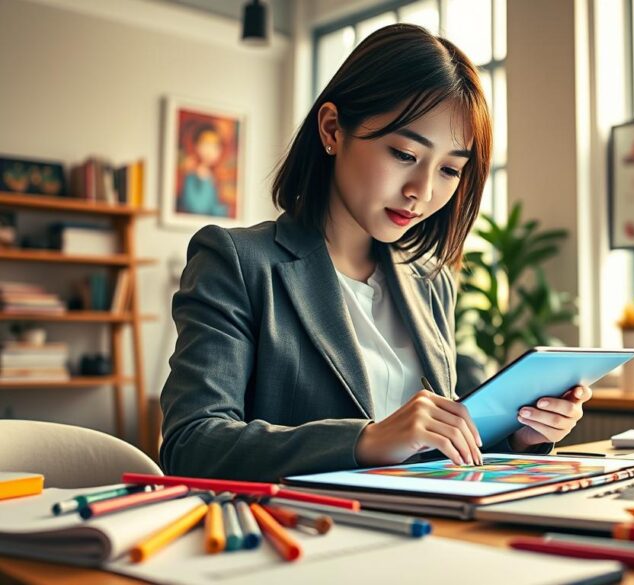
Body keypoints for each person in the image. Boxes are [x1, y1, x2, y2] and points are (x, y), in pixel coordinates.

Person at [159, 24, 593, 482]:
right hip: (308, 531)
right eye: (405, 154)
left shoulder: (430, 279)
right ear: (332, 129)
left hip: (424, 527)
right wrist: (364, 440)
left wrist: (522, 433)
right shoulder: (238, 261)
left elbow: (442, 436)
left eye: (449, 169)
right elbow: (192, 443)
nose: (421, 191)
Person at [178, 124, 228, 217]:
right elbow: (197, 207)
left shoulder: (215, 175)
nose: (209, 150)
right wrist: (204, 182)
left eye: (215, 146)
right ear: (196, 146)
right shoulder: (192, 174)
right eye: (205, 144)